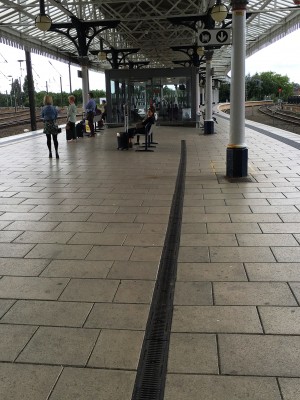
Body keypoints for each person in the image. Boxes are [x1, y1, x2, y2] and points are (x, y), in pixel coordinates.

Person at [41, 95, 59, 159]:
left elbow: (42, 117)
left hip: (47, 125)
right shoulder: (54, 108)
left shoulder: (43, 108)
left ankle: (50, 153)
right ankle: (56, 152)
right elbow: (56, 116)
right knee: (55, 139)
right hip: (53, 124)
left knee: (48, 139)